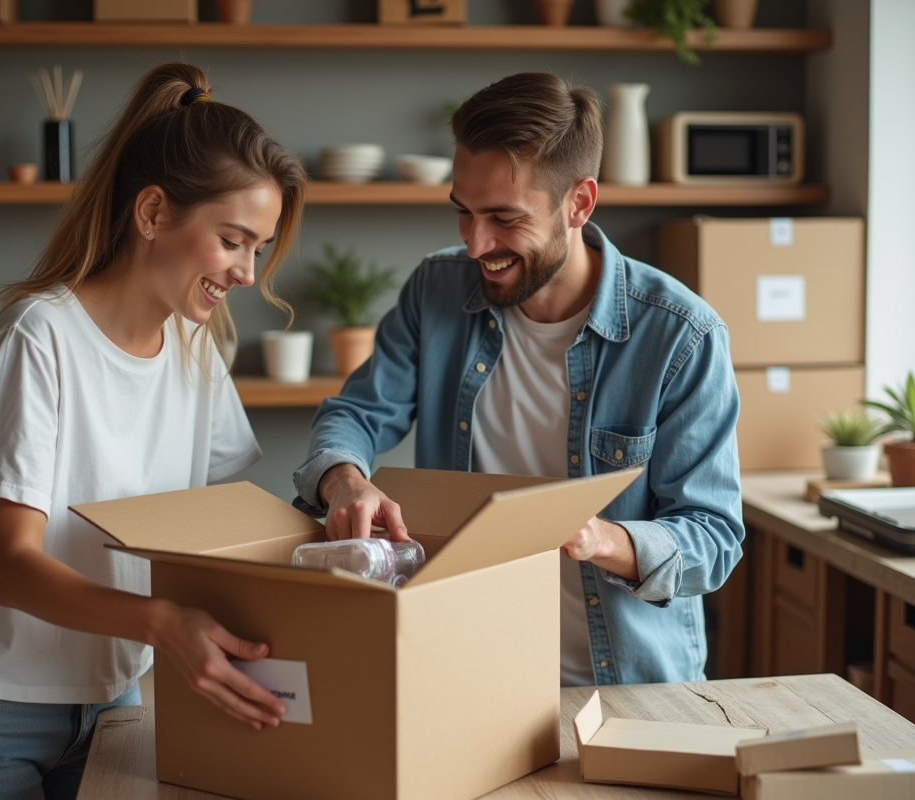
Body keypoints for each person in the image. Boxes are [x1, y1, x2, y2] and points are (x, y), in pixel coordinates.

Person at [0, 63, 307, 800]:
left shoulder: (196, 349)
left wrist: (333, 547)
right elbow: (13, 565)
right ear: (152, 213)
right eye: (232, 240)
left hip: (116, 692)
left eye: (259, 247)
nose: (248, 273)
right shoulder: (41, 337)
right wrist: (165, 623)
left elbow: (219, 520)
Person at [292, 72, 743, 686]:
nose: (478, 244)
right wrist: (344, 481)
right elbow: (359, 412)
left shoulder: (681, 335)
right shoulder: (437, 289)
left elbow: (712, 537)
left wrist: (598, 536)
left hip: (624, 684)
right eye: (464, 213)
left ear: (579, 203)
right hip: (469, 671)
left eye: (504, 218)